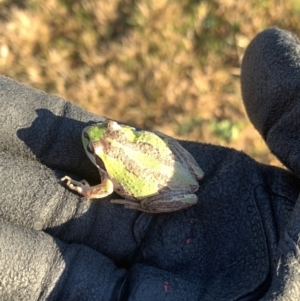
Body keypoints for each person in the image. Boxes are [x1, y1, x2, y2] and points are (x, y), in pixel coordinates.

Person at [1, 27, 300, 300]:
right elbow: (118, 162)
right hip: (182, 166)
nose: (96, 133)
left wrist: (83, 189)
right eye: (102, 136)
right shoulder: (120, 135)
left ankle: (142, 202)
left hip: (160, 191)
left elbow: (104, 189)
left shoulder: (108, 170)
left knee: (145, 198)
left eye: (106, 130)